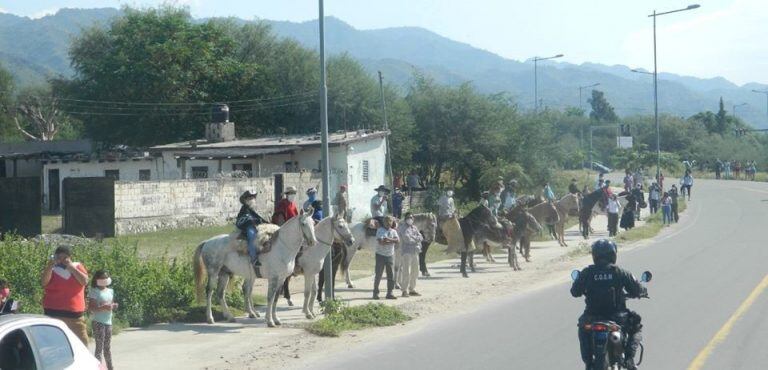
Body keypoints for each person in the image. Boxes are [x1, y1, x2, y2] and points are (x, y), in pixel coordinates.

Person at [571, 239, 646, 370]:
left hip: (591, 318)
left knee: (583, 328)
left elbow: (575, 291)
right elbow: (637, 289)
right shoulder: (620, 272)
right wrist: (642, 291)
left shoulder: (587, 272)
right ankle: (629, 359)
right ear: (613, 254)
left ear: (594, 255)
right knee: (636, 326)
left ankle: (588, 362)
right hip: (617, 318)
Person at [42, 246, 89, 345]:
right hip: (53, 314)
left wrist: (71, 268)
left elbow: (84, 281)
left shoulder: (77, 266)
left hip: (75, 317)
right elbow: (44, 282)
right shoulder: (52, 268)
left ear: (70, 257)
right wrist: (50, 266)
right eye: (59, 257)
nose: (62, 260)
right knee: (54, 345)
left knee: (82, 344)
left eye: (65, 258)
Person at [88, 270, 117, 370]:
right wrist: (103, 308)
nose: (105, 280)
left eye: (106, 277)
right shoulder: (94, 291)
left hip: (108, 322)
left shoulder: (110, 291)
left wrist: (113, 306)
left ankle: (110, 367)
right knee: (99, 348)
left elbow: (111, 304)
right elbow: (91, 307)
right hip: (98, 322)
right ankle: (98, 368)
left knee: (107, 348)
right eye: (102, 278)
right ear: (97, 279)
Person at [236, 191, 267, 270]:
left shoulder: (252, 210)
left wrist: (265, 222)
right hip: (246, 227)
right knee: (252, 236)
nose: (252, 200)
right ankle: (253, 259)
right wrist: (256, 221)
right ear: (245, 200)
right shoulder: (244, 209)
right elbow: (246, 219)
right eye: (250, 198)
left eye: (253, 198)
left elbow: (258, 218)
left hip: (252, 225)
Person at [398, 213, 424, 297]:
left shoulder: (414, 227)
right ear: (405, 219)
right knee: (406, 271)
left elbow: (421, 237)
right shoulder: (402, 228)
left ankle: (412, 289)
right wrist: (416, 239)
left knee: (415, 271)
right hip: (406, 252)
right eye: (408, 217)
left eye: (411, 218)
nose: (410, 219)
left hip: (415, 251)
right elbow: (407, 239)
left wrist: (416, 238)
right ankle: (404, 290)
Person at [373, 216, 399, 300]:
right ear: (383, 222)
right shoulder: (380, 230)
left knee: (390, 275)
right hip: (380, 255)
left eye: (390, 221)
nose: (388, 223)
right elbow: (381, 242)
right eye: (386, 221)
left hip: (390, 255)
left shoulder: (394, 231)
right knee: (378, 275)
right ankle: (375, 293)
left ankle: (390, 293)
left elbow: (397, 241)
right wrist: (392, 240)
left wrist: (387, 239)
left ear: (392, 223)